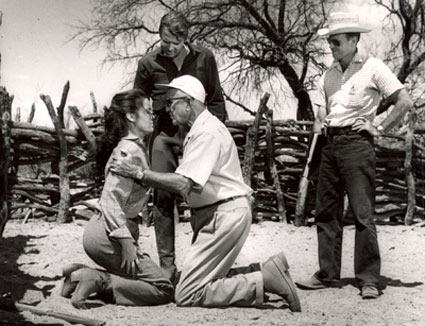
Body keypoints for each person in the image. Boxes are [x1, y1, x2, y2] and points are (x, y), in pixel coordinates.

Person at [109, 75, 301, 311]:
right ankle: (265, 271)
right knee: (202, 280)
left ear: (189, 102)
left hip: (222, 217)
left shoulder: (206, 133)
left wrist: (138, 173)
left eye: (172, 103)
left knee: (187, 294)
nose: (167, 109)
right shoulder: (200, 130)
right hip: (220, 215)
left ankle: (263, 281)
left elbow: (183, 184)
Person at [296, 12, 413, 299]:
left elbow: (404, 101)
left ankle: (369, 279)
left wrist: (379, 127)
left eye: (336, 42)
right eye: (330, 42)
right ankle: (327, 274)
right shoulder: (328, 74)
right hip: (330, 144)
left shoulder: (373, 67)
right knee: (326, 212)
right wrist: (320, 121)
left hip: (357, 145)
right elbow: (324, 111)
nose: (332, 47)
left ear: (353, 40)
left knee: (362, 213)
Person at [133, 11, 226, 283]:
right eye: (163, 40)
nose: (168, 47)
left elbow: (216, 98)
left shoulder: (204, 58)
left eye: (174, 42)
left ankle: (203, 261)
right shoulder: (148, 62)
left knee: (202, 193)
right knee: (162, 195)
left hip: (198, 133)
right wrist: (138, 139)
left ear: (186, 37)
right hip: (164, 133)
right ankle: (167, 266)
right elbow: (137, 102)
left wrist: (218, 134)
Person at [60, 89, 173, 309]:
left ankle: (76, 275)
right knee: (163, 288)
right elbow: (111, 200)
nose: (152, 116)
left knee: (138, 278)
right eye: (147, 111)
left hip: (104, 231)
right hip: (109, 234)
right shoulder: (129, 151)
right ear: (131, 116)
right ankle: (97, 279)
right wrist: (126, 241)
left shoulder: (131, 146)